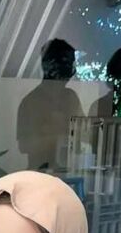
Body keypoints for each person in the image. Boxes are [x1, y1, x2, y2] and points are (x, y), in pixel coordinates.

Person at [17, 39, 85, 171]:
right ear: (50, 66)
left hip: (68, 173)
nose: (72, 70)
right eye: (66, 63)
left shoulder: (71, 97)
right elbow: (24, 146)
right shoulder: (31, 102)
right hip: (40, 174)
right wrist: (58, 135)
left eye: (71, 64)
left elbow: (84, 133)